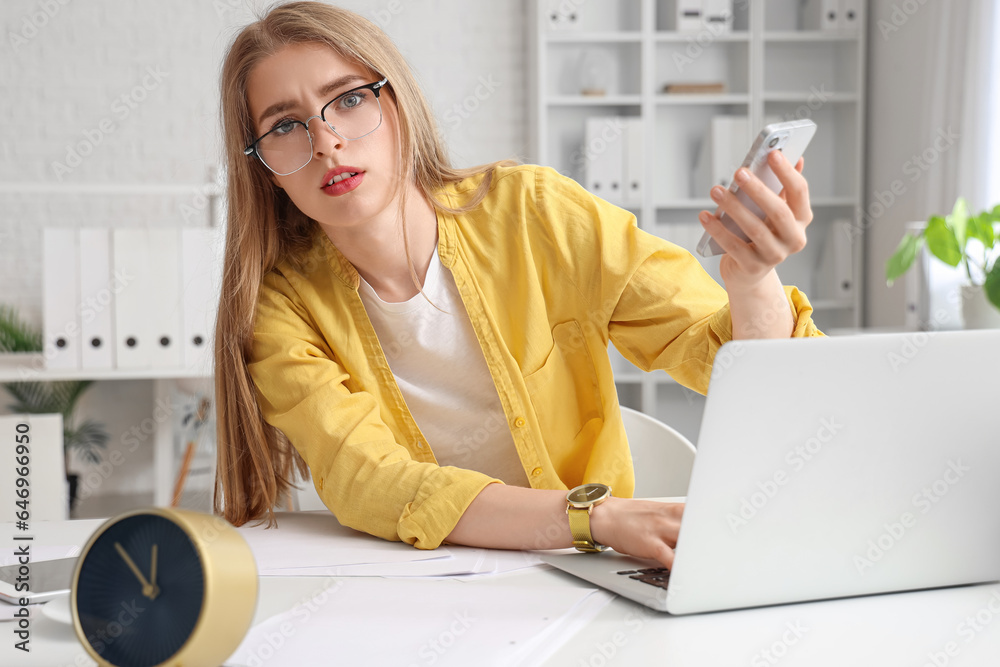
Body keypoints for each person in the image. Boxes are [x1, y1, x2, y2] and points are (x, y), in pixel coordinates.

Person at [213, 1, 823, 570]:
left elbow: (741, 371)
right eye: (284, 126)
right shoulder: (279, 307)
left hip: (584, 571)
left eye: (347, 100)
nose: (326, 142)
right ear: (262, 167)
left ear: (398, 104)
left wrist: (752, 280)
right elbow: (372, 482)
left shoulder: (534, 211)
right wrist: (595, 518)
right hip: (416, 583)